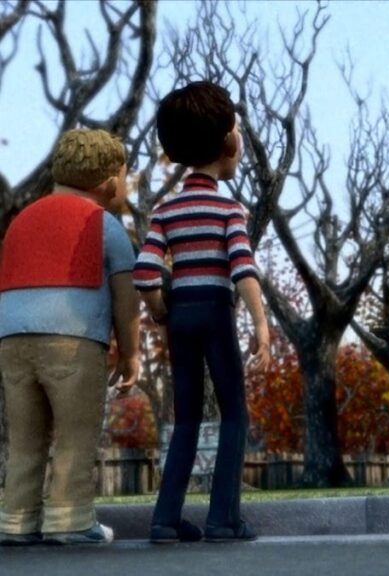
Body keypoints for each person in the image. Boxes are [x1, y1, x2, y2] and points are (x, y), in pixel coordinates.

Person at [134, 81, 271, 544]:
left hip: (180, 316)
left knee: (186, 415)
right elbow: (244, 271)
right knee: (234, 413)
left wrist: (159, 311)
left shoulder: (165, 209)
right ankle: (223, 518)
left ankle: (165, 518)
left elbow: (147, 270)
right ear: (230, 141)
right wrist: (262, 325)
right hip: (215, 311)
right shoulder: (229, 209)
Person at [0, 129, 139, 546]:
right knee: (76, 433)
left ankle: (15, 519)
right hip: (73, 340)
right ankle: (70, 518)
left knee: (25, 436)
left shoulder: (22, 220)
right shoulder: (103, 224)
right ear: (110, 181)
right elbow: (126, 293)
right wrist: (130, 354)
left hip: (11, 342)